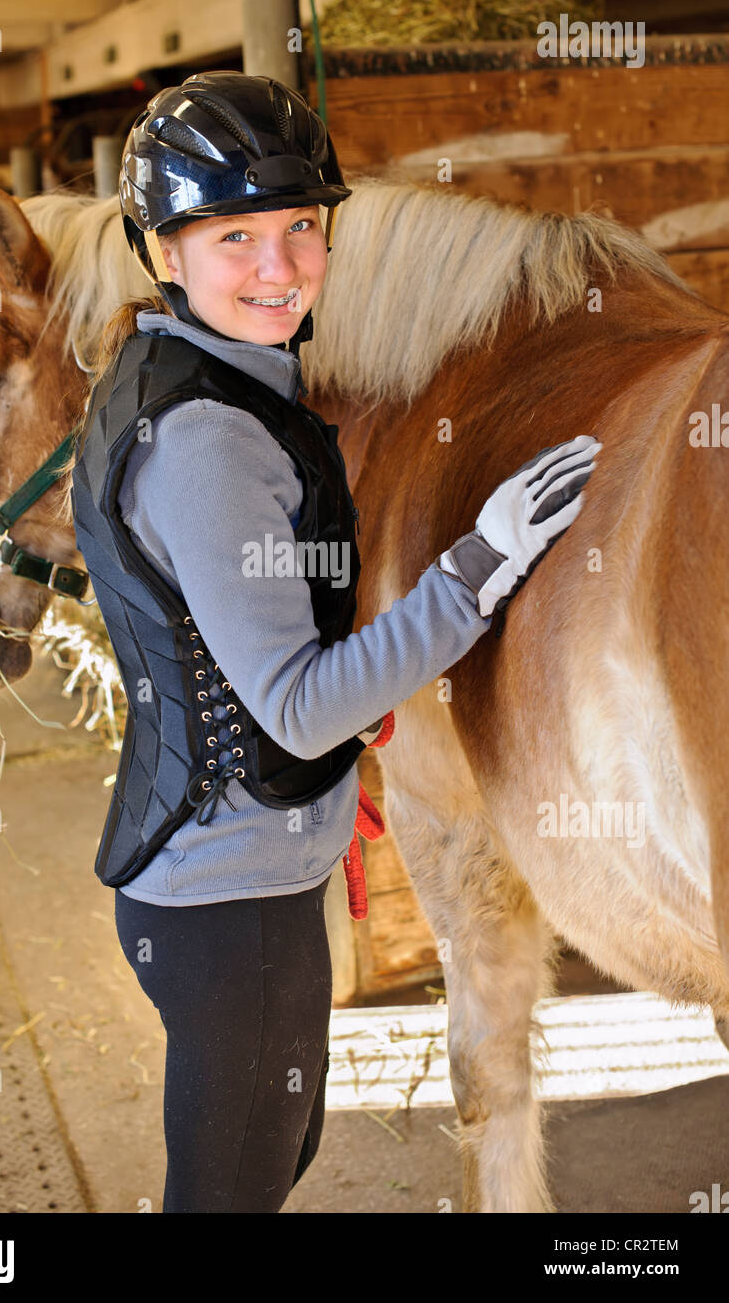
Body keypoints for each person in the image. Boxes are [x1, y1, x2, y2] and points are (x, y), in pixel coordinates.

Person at [69, 71, 600, 1213]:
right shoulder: (207, 439)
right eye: (235, 238)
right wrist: (480, 560)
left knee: (275, 1153)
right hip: (227, 907)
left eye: (301, 227)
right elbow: (298, 707)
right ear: (162, 253)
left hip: (235, 882)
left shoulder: (205, 380)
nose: (281, 267)